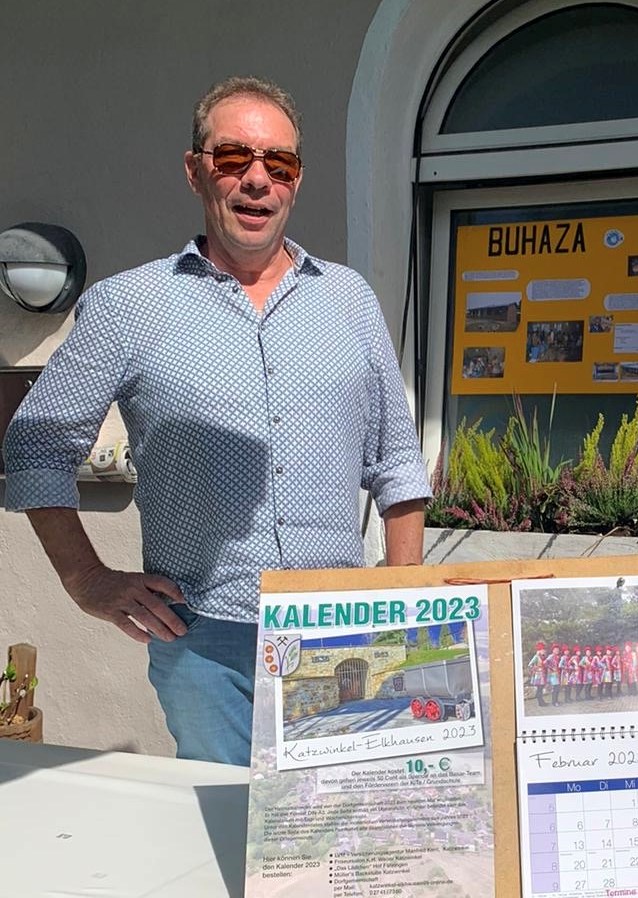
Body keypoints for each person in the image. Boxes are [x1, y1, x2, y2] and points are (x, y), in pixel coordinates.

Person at [3, 76, 430, 766]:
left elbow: (396, 460)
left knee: (339, 838)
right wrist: (88, 580)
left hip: (344, 632)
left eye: (278, 163)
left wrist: (405, 596)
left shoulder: (349, 300)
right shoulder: (127, 306)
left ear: (296, 179)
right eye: (234, 158)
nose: (258, 179)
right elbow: (36, 447)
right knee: (227, 841)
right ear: (196, 169)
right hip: (206, 642)